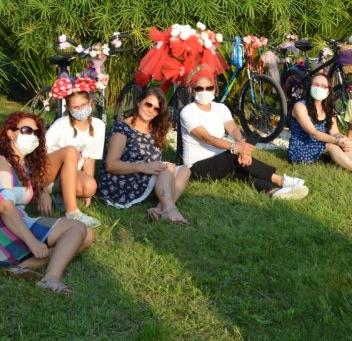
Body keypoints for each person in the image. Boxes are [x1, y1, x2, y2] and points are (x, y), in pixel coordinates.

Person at [0, 112, 93, 294]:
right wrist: (33, 242)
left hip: (11, 222)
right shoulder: (0, 164)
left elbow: (33, 187)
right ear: (10, 133)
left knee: (87, 235)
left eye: (36, 133)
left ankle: (22, 267)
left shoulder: (23, 166)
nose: (33, 136)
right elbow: (4, 207)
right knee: (77, 228)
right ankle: (50, 279)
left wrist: (42, 192)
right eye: (27, 130)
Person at [180, 68, 308, 199]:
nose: (204, 91)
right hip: (196, 166)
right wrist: (236, 148)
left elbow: (233, 129)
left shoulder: (221, 108)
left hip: (221, 161)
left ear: (214, 89)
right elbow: (207, 138)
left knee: (242, 171)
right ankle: (281, 180)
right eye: (199, 88)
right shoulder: (188, 112)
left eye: (209, 88)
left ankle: (274, 191)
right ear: (192, 90)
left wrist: (243, 149)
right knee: (233, 156)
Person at [97, 85, 192, 224]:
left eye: (156, 109)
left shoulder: (155, 130)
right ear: (138, 102)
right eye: (148, 104)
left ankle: (160, 209)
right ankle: (170, 209)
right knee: (168, 167)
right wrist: (143, 167)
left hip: (144, 176)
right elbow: (110, 165)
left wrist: (149, 167)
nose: (151, 110)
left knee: (185, 170)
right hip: (122, 180)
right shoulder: (123, 128)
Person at [287, 73, 352, 179]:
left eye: (323, 86)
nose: (319, 88)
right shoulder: (300, 106)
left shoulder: (328, 108)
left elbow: (335, 132)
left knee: (344, 145)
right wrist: (336, 141)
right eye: (316, 84)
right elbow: (313, 133)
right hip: (301, 148)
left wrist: (342, 139)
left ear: (328, 91)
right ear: (310, 87)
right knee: (331, 145)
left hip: (320, 146)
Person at [34, 76, 102, 228]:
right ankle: (72, 212)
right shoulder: (61, 124)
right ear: (69, 109)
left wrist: (88, 194)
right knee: (71, 152)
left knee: (90, 186)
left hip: (68, 175)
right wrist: (41, 190)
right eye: (76, 107)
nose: (81, 110)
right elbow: (38, 155)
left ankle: (59, 193)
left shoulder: (99, 126)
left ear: (90, 102)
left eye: (84, 105)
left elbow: (90, 158)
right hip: (47, 172)